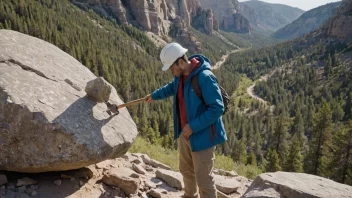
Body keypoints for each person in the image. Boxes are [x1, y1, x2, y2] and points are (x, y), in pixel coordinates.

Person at [144, 42, 227, 198]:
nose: (171, 72)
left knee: (204, 181)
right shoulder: (180, 76)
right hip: (186, 133)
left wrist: (193, 127)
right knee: (186, 171)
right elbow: (171, 88)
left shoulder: (205, 77)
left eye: (171, 68)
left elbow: (217, 108)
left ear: (181, 62)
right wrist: (154, 96)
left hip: (203, 137)